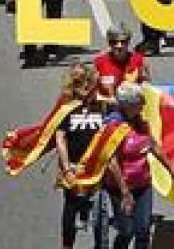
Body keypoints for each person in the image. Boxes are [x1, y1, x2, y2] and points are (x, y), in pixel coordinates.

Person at [99, 82, 166, 249]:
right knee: (127, 230)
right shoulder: (113, 126)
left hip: (143, 185)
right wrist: (125, 193)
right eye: (140, 101)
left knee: (143, 230)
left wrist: (173, 171)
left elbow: (154, 146)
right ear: (128, 105)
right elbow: (111, 161)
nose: (144, 104)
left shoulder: (141, 123)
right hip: (119, 188)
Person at [52, 65, 107, 249]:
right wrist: (66, 168)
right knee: (71, 204)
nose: (84, 88)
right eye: (78, 83)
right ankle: (67, 244)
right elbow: (60, 137)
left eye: (87, 83)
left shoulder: (101, 104)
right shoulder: (66, 106)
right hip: (74, 165)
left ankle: (100, 243)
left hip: (97, 166)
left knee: (101, 210)